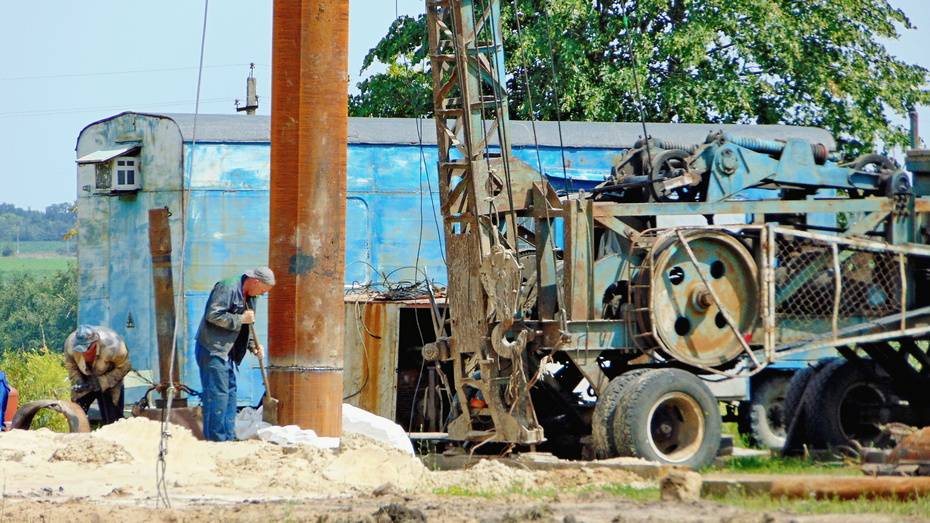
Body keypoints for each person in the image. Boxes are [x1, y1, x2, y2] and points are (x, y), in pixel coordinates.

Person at [196, 266, 275, 441]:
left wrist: (253, 346)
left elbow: (247, 326)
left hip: (227, 352)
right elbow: (213, 315)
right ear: (255, 281)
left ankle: (228, 436)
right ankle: (217, 439)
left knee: (230, 394)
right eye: (262, 290)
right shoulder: (227, 287)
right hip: (213, 349)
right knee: (218, 396)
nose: (261, 294)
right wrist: (240, 319)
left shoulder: (251, 296)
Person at [64, 324, 131, 425]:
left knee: (113, 420)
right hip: (85, 377)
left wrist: (103, 382)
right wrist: (79, 381)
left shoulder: (114, 346)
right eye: (79, 349)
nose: (83, 352)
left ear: (95, 343)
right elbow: (71, 365)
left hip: (110, 379)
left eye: (86, 348)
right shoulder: (70, 344)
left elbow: (125, 366)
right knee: (75, 415)